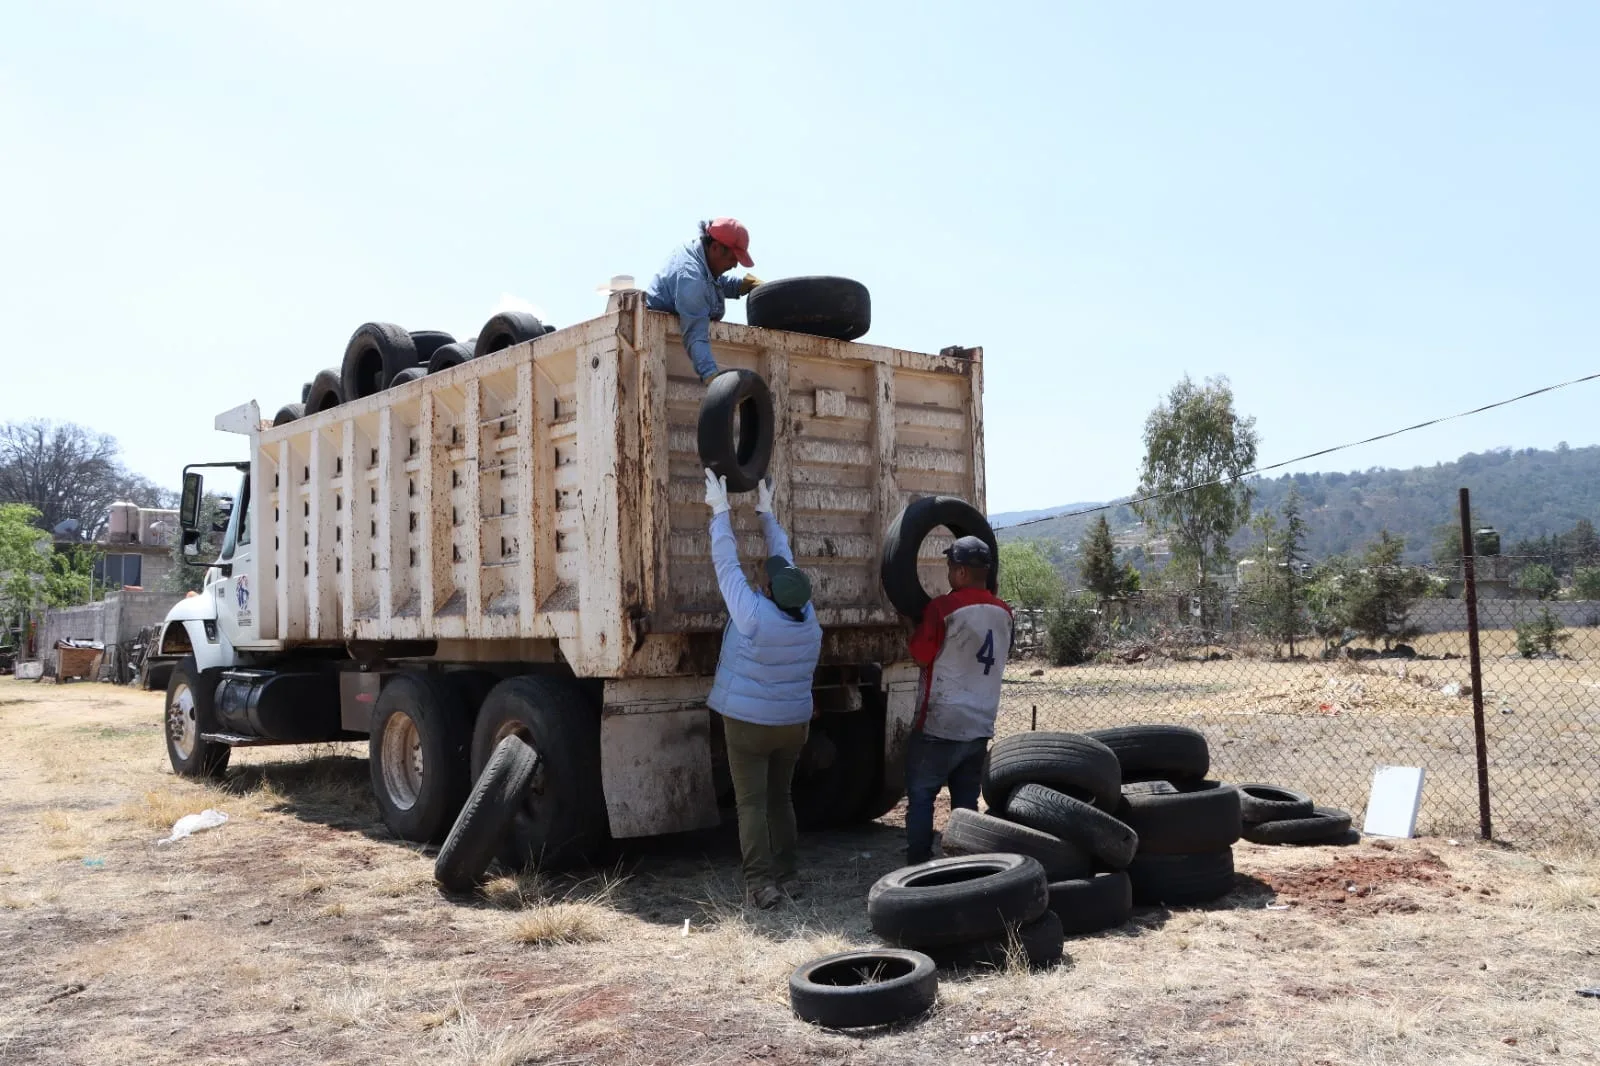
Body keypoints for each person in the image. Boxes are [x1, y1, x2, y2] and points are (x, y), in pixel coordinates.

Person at [703, 468, 822, 908]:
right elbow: (785, 562)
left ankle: (760, 884)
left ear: (768, 591)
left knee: (750, 804)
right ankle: (788, 876)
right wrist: (766, 516)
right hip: (793, 724)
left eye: (765, 580)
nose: (759, 579)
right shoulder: (808, 619)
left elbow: (726, 564)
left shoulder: (751, 615)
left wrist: (721, 513)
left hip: (749, 725)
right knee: (780, 799)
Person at [903, 536, 1014, 866]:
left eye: (951, 566)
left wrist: (911, 627)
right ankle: (964, 862)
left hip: (942, 721)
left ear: (962, 572)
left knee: (922, 795)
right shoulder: (1005, 612)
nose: (949, 572)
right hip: (980, 722)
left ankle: (918, 864)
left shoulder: (943, 608)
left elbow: (920, 655)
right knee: (965, 801)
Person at [645, 219, 763, 383]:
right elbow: (695, 335)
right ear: (715, 247)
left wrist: (740, 286)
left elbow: (711, 281)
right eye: (733, 258)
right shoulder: (691, 280)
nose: (735, 265)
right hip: (658, 346)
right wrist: (713, 377)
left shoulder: (698, 252)